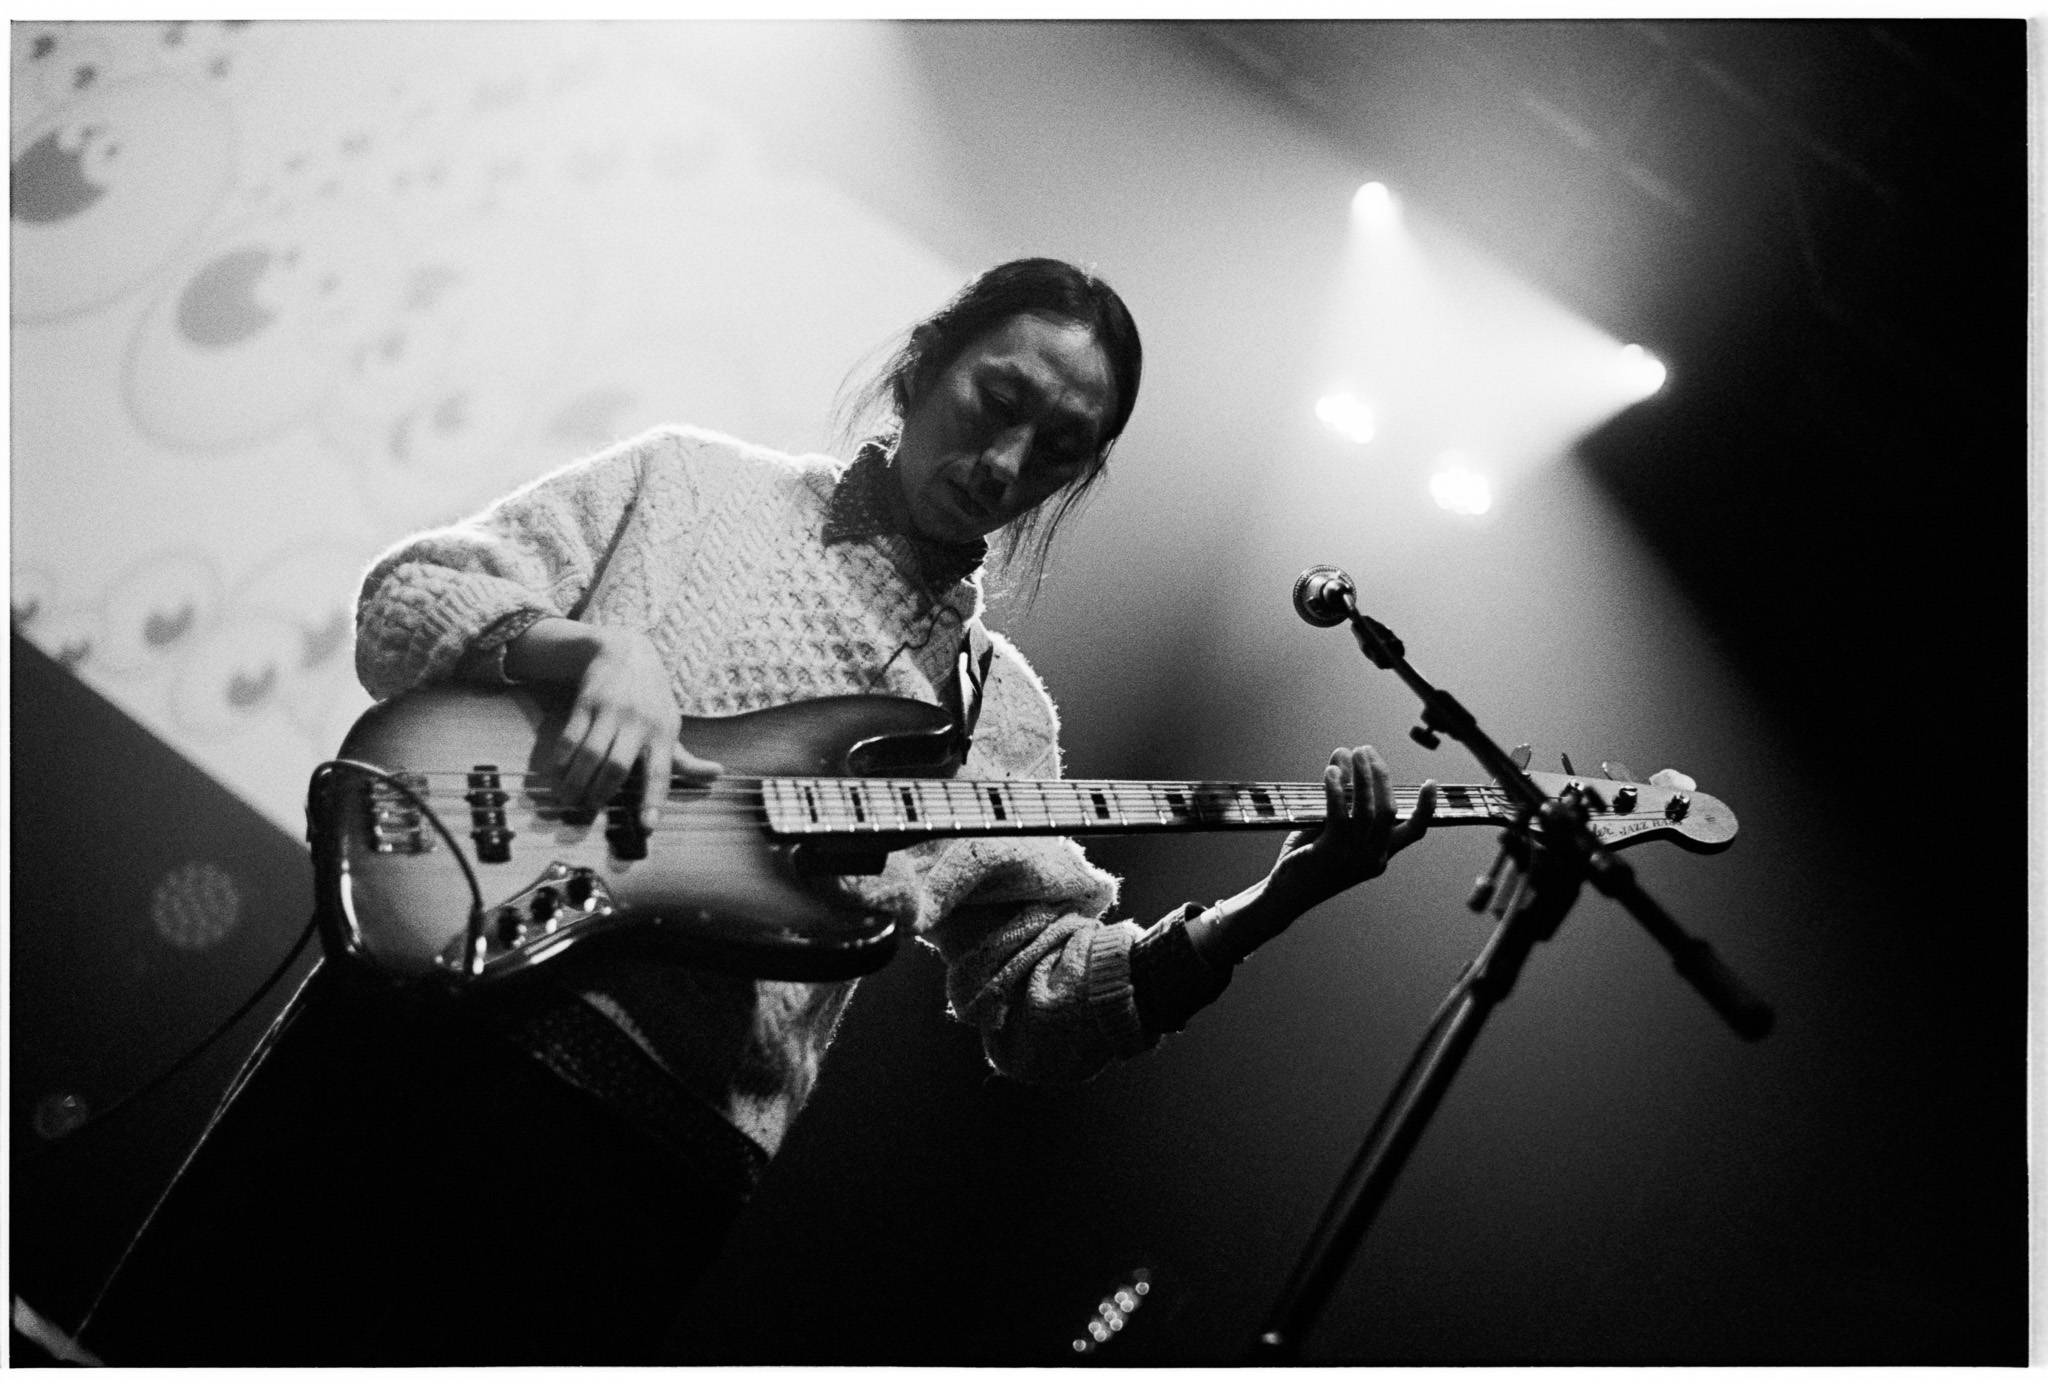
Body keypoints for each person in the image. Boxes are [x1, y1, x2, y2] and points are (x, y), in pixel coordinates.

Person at [79, 258, 1435, 1365]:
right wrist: (575, 649)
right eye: (998, 399)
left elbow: (1038, 1010)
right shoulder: (689, 485)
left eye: (1058, 449)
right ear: (923, 366)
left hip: (634, 1172)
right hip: (423, 1026)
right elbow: (406, 603)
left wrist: (1280, 899)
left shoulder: (1001, 721)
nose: (1007, 459)